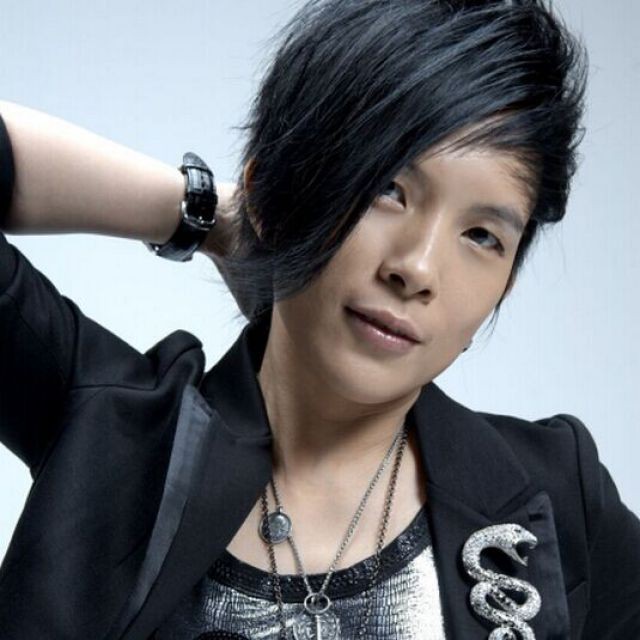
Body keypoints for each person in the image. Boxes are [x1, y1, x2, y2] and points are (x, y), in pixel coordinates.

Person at [0, 0, 639, 639]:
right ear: (274, 192)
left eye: (481, 236)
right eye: (386, 190)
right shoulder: (107, 425)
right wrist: (214, 214)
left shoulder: (558, 492)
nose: (418, 268)